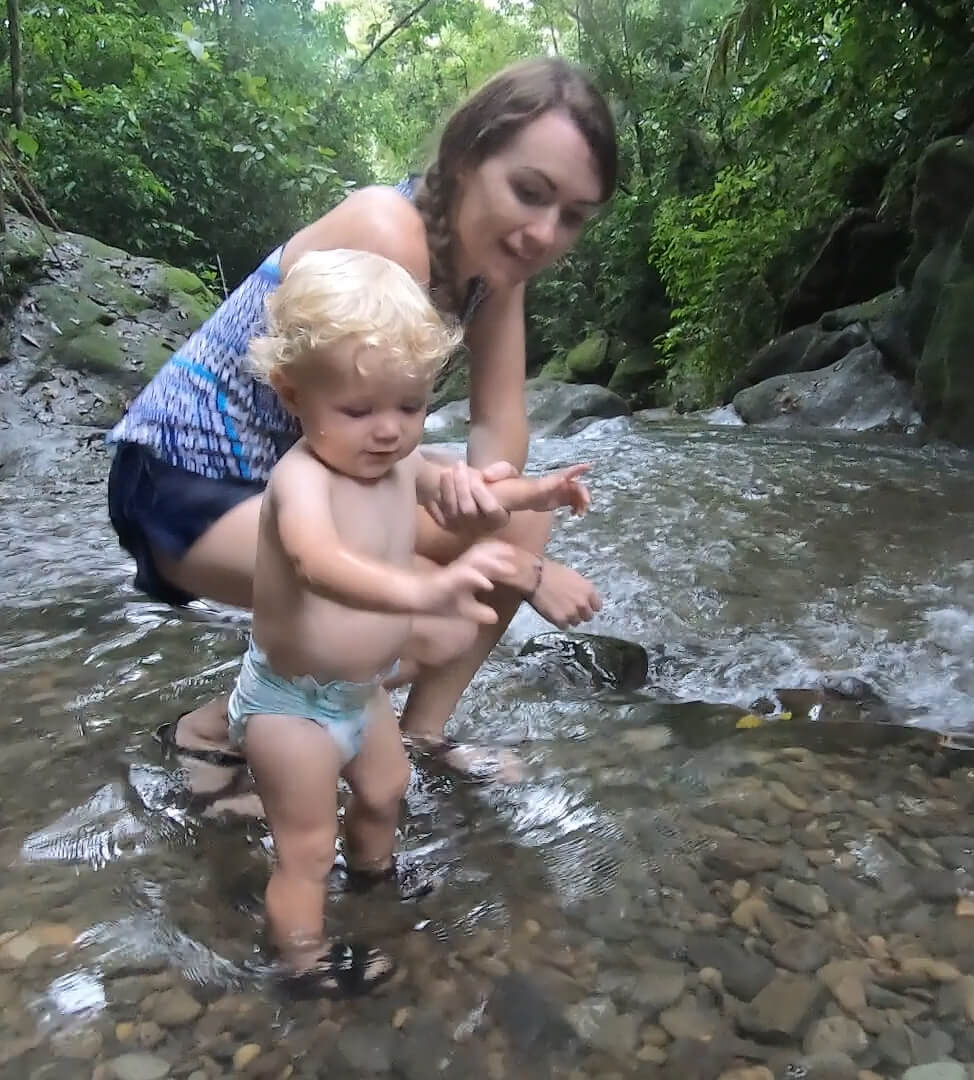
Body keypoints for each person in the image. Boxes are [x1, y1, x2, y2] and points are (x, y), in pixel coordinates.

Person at [107, 57, 619, 804]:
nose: (545, 232)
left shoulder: (494, 276)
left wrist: (487, 497)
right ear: (466, 157)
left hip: (309, 478)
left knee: (519, 517)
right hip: (185, 483)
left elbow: (498, 420)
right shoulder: (387, 232)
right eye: (529, 193)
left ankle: (420, 736)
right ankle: (219, 727)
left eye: (572, 215)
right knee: (420, 608)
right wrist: (490, 563)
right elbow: (321, 438)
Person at [228, 248, 592, 996]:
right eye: (359, 411)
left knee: (386, 792)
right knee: (305, 845)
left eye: (411, 405)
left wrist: (538, 494)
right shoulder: (301, 481)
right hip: (291, 706)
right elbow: (318, 563)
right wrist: (426, 592)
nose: (389, 431)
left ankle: (374, 882)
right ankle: (300, 961)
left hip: (359, 695)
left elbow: (468, 494)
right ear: (292, 394)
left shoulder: (396, 460)